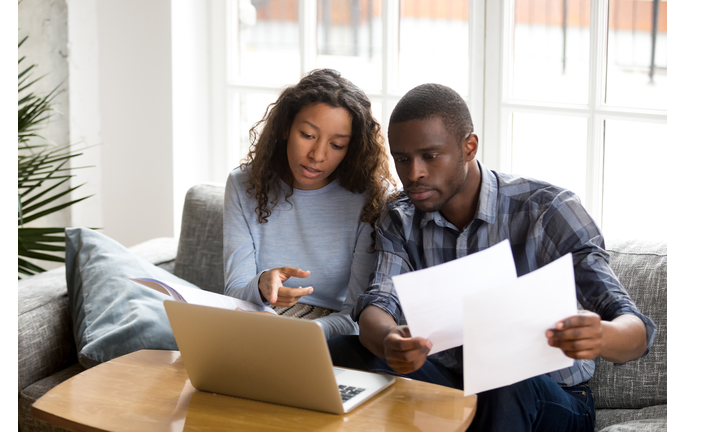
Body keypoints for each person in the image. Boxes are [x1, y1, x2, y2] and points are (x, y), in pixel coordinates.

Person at [328, 83, 657, 431]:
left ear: (469, 147)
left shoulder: (548, 211)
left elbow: (635, 330)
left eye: (430, 156)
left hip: (549, 398)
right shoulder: (400, 217)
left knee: (502, 371)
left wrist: (602, 335)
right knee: (341, 351)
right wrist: (389, 341)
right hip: (455, 387)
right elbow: (379, 304)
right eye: (403, 158)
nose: (414, 174)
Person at [224, 68, 395, 340]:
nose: (317, 155)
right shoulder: (244, 184)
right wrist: (261, 284)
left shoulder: (370, 196)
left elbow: (357, 315)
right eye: (307, 135)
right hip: (258, 318)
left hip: (332, 332)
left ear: (352, 149)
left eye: (337, 145)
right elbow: (234, 293)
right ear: (285, 129)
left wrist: (305, 334)